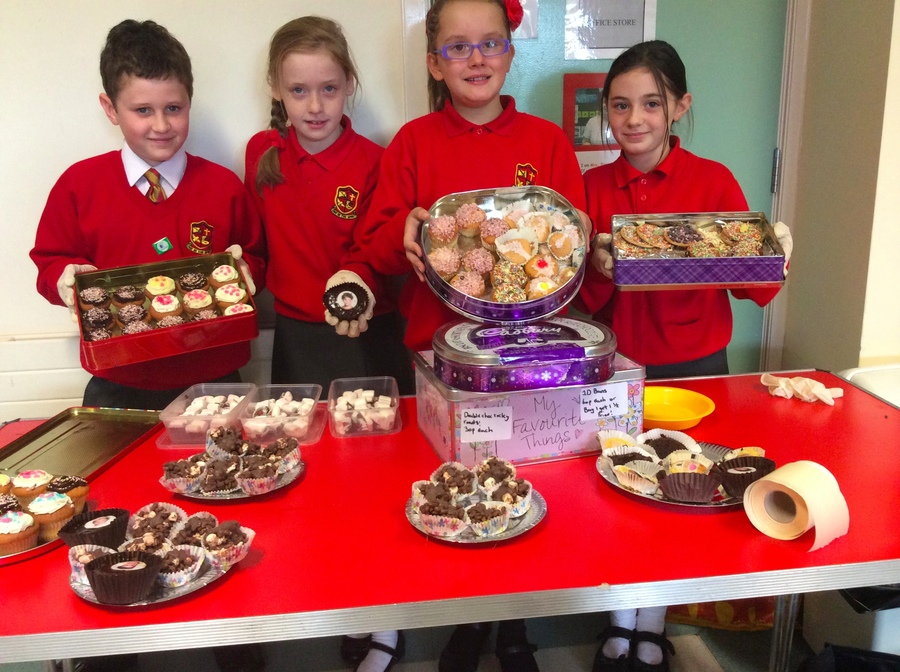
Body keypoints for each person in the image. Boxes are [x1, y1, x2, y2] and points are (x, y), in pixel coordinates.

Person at [327, 2, 587, 671]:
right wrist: (402, 233)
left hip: (535, 358)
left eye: (490, 43)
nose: (476, 58)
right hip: (439, 358)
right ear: (433, 61)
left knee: (523, 491)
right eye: (458, 47)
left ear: (509, 52)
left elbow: (570, 250)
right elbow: (377, 244)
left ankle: (515, 630)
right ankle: (465, 619)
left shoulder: (548, 143)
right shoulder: (413, 143)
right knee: (453, 497)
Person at [579, 40, 794, 672]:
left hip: (699, 371)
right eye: (621, 106)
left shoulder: (713, 180)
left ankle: (654, 626)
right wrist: (596, 267)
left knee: (687, 491)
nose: (635, 119)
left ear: (679, 106)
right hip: (619, 370)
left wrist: (774, 249)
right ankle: (618, 626)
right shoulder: (591, 186)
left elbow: (755, 286)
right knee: (620, 490)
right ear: (607, 113)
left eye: (651, 103)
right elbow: (579, 301)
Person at [29, 19, 265, 413]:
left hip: (215, 380)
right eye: (143, 110)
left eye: (174, 108)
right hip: (118, 382)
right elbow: (49, 263)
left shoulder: (223, 187)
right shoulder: (78, 185)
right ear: (111, 109)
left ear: (190, 101)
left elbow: (256, 256)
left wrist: (248, 271)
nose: (161, 125)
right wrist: (62, 278)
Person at [244, 16, 414, 398]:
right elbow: (254, 245)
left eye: (329, 88)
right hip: (294, 336)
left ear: (349, 83)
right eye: (299, 90)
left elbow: (377, 250)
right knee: (300, 448)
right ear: (276, 88)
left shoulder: (376, 161)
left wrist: (358, 284)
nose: (316, 106)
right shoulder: (261, 153)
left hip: (368, 332)